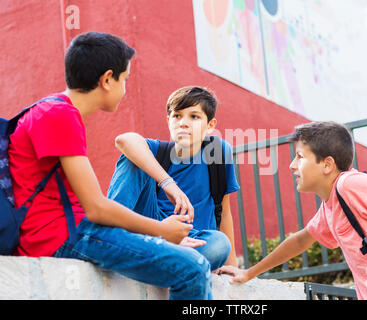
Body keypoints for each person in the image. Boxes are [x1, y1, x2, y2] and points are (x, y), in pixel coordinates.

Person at [9, 32, 214, 300]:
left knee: (197, 257)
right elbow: (95, 207)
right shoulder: (61, 115)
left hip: (68, 229)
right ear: (107, 79)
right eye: (125, 79)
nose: (125, 89)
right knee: (193, 268)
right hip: (62, 235)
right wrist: (160, 230)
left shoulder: (50, 110)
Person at [220, 121, 367, 300]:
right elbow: (300, 241)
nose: (292, 165)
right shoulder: (332, 204)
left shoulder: (349, 186)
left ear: (327, 165)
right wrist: (249, 273)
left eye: (300, 157)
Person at [107, 85, 240, 270]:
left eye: (194, 116)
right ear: (168, 120)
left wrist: (231, 266)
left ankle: (156, 253)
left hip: (193, 240)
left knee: (219, 244)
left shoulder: (217, 152)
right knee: (134, 157)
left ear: (210, 125)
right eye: (177, 115)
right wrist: (168, 183)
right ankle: (109, 235)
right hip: (149, 229)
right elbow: (124, 140)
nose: (183, 123)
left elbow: (224, 212)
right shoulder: (158, 151)